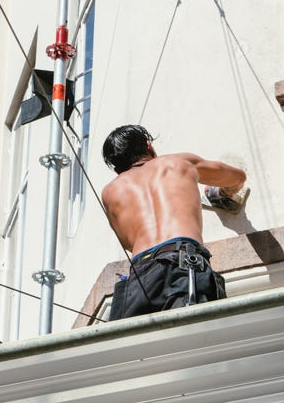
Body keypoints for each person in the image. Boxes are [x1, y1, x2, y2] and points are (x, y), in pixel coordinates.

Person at [101, 124, 246, 320]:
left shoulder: (110, 192)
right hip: (182, 264)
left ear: (116, 166)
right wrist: (221, 192)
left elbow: (128, 242)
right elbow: (237, 177)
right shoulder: (179, 163)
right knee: (196, 335)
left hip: (140, 279)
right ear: (149, 146)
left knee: (134, 345)